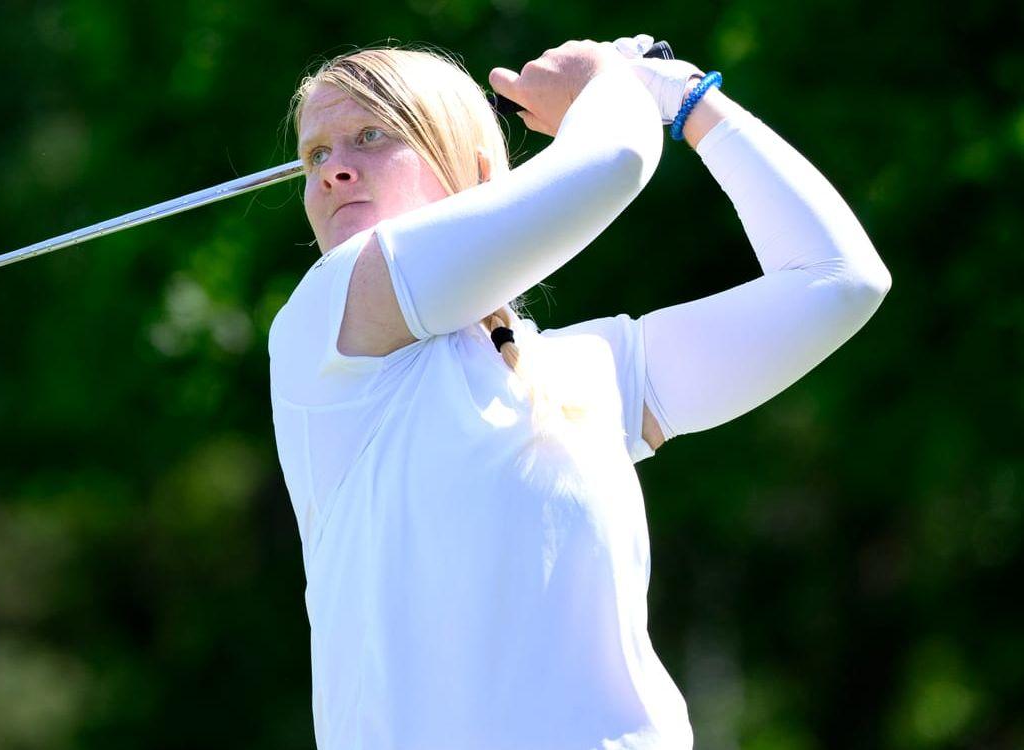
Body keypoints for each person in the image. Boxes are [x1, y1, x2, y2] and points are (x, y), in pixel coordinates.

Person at [266, 35, 892, 749]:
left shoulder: (579, 372)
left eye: (371, 135)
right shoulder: (323, 323)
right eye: (315, 154)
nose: (332, 172)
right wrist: (604, 81)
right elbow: (615, 161)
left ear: (477, 174)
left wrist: (682, 97)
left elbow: (837, 281)